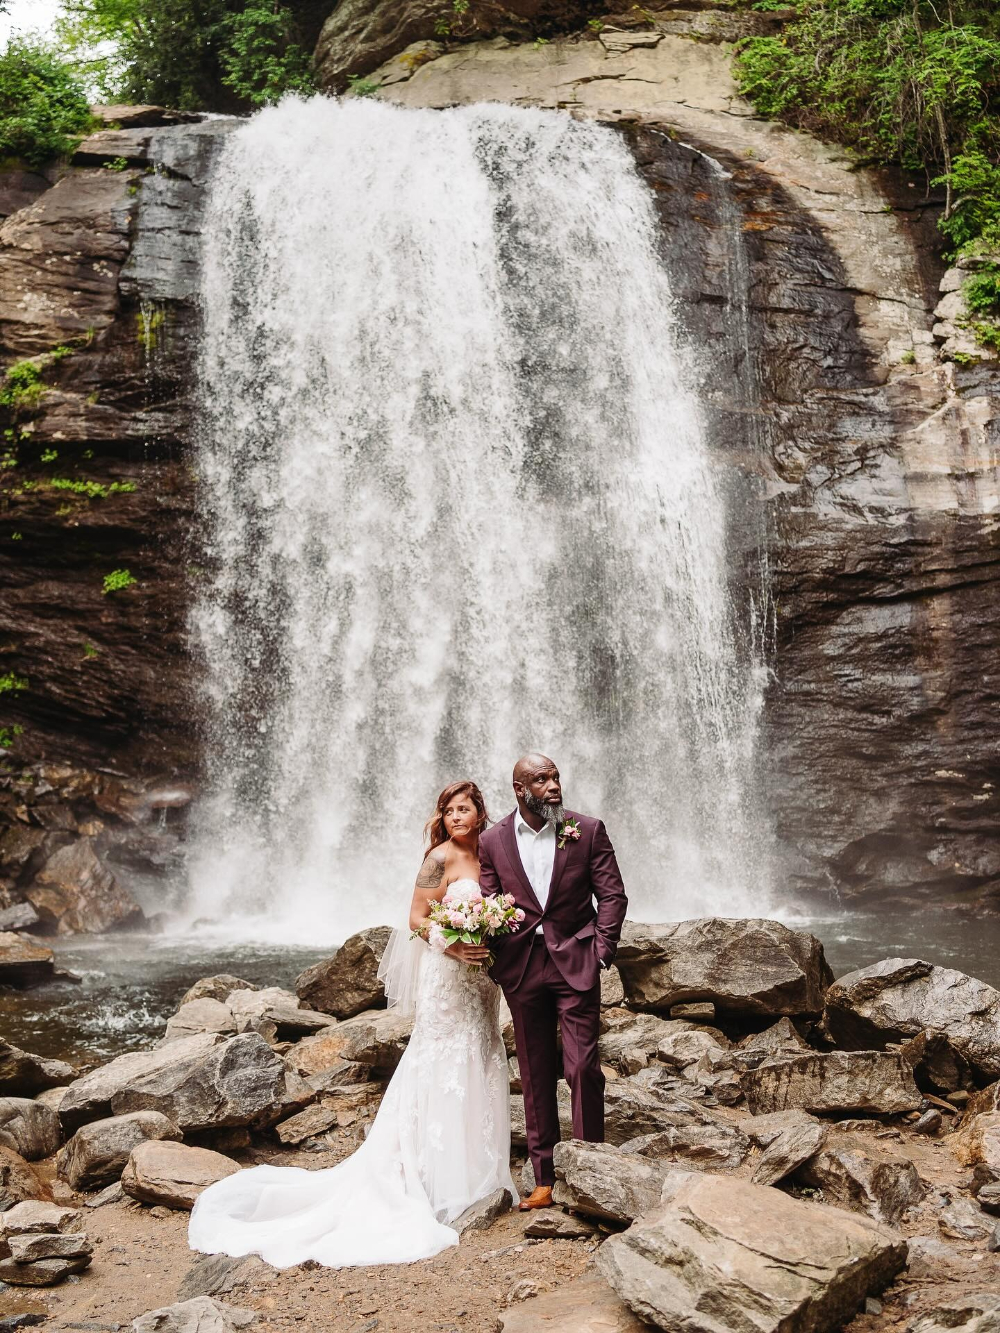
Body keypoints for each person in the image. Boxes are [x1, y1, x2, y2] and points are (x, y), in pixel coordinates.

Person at [188, 780, 516, 1269]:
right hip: (448, 975)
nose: (456, 817)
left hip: (480, 981)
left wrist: (489, 937)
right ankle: (432, 1175)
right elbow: (416, 919)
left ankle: (480, 1172)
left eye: (464, 809)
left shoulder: (493, 853)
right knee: (441, 1060)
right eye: (448, 810)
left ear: (479, 811)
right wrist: (454, 945)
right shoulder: (438, 859)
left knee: (482, 1055)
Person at [478, 754, 627, 1210]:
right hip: (522, 966)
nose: (553, 786)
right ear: (519, 790)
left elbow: (612, 894)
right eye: (541, 780)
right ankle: (543, 1179)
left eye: (556, 777)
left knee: (582, 1067)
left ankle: (591, 1171)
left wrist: (601, 949)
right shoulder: (492, 839)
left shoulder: (587, 829)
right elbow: (489, 898)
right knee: (534, 1072)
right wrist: (496, 950)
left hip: (576, 960)